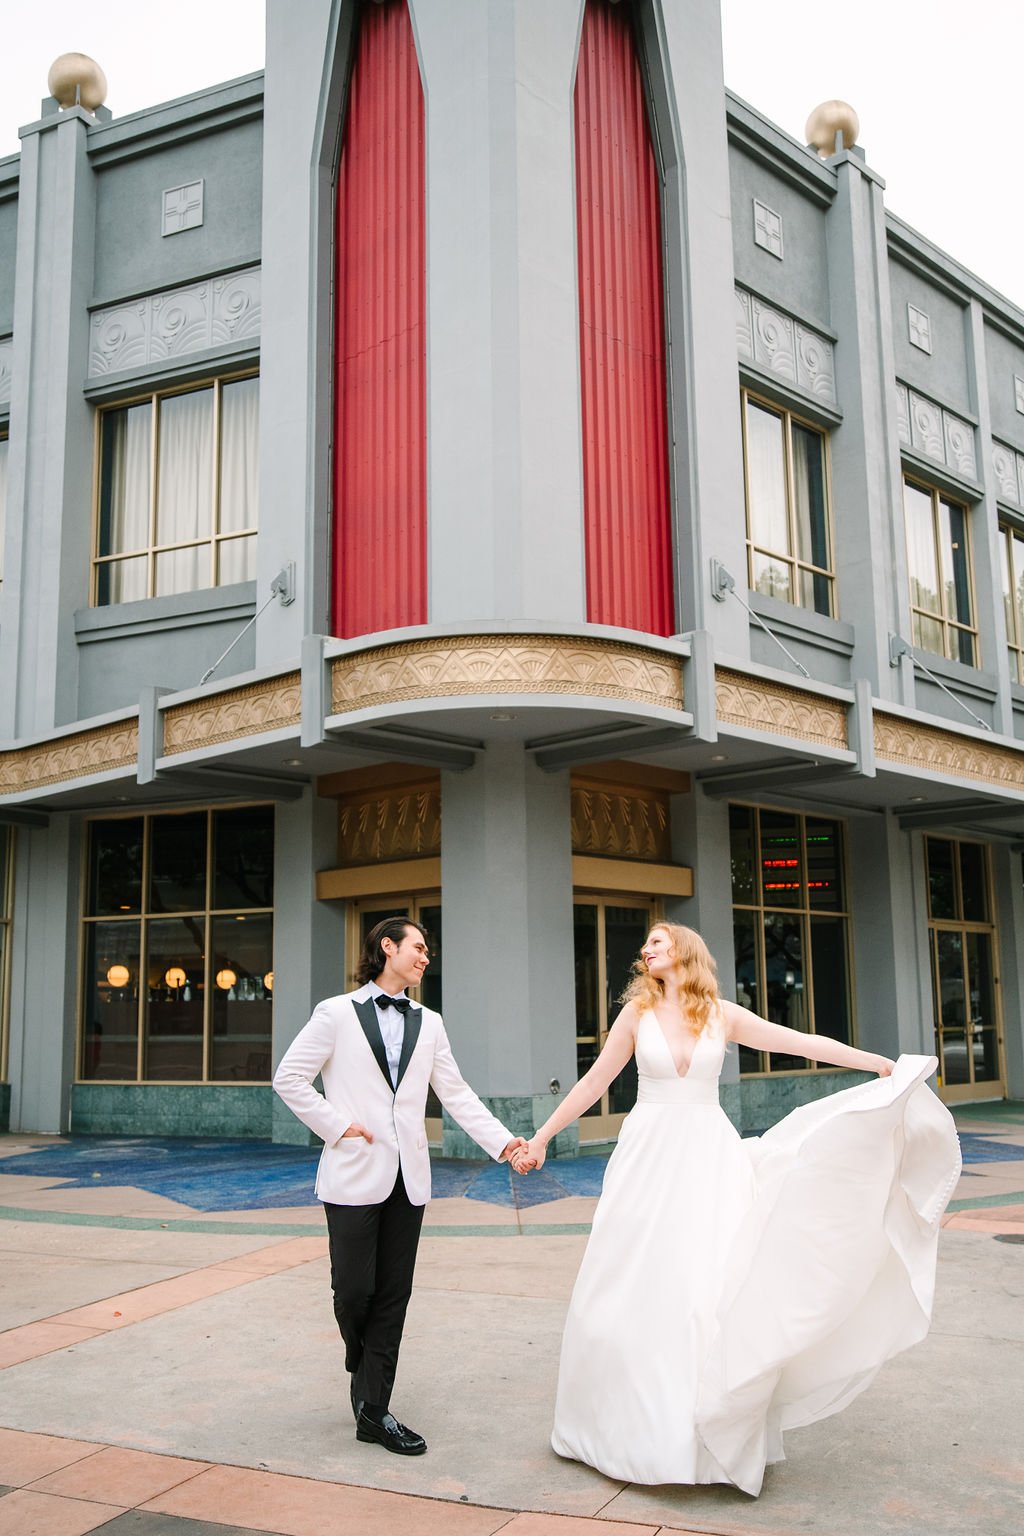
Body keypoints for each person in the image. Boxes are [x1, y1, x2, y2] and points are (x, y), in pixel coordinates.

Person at [513, 922, 961, 1496]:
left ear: (685, 951)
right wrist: (544, 1135)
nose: (646, 949)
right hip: (648, 1156)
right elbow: (595, 1081)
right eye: (645, 944)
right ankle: (620, 1430)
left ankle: (709, 1433)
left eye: (657, 940)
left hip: (708, 1158)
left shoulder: (722, 1014)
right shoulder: (635, 1015)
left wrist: (873, 1062)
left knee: (712, 1283)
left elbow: (794, 1041)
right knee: (635, 1281)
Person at [274, 916, 526, 1457]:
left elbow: (456, 1094)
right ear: (387, 948)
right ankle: (360, 1362)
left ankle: (374, 1410)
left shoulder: (430, 1022)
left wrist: (505, 1144)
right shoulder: (335, 1013)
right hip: (352, 1171)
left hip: (408, 1179)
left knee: (393, 1295)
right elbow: (288, 1076)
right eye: (418, 947)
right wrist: (337, 1125)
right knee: (354, 1293)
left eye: (428, 950)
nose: (425, 956)